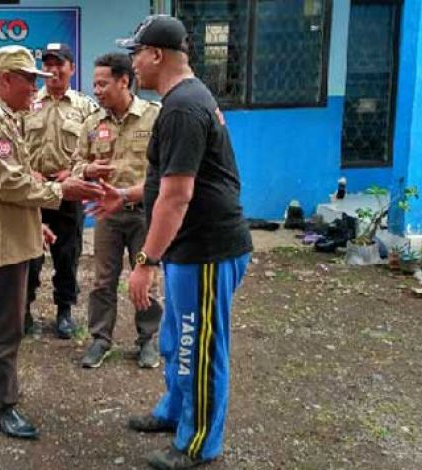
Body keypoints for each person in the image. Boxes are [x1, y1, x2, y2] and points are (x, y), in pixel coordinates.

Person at [95, 15, 253, 469]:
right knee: (175, 339)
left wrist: (145, 261)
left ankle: (200, 442)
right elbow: (172, 182)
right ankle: (175, 412)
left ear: (157, 55)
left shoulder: (183, 106)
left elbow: (179, 194)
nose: (133, 63)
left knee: (198, 347)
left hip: (207, 249)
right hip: (190, 249)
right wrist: (125, 195)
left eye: (136, 53)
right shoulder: (182, 101)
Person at [0, 45, 104, 440]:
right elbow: (11, 184)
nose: (34, 88)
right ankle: (1, 406)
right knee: (5, 329)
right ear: (6, 80)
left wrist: (34, 222)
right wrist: (61, 191)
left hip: (5, 233)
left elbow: (7, 184)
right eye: (28, 80)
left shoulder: (4, 116)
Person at [71, 52, 162, 369]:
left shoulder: (155, 117)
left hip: (144, 214)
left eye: (102, 83)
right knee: (102, 280)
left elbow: (165, 170)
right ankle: (100, 339)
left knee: (146, 280)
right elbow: (76, 164)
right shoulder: (93, 124)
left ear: (124, 81)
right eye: (94, 84)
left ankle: (147, 340)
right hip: (106, 213)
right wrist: (87, 169)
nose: (96, 90)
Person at [23, 43, 100, 338]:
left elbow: (98, 149)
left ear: (72, 68)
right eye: (48, 64)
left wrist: (74, 172)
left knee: (67, 254)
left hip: (68, 192)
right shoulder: (27, 103)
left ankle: (64, 311)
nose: (53, 70)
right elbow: (15, 144)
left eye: (60, 64)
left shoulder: (86, 107)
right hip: (33, 190)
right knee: (28, 254)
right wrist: (29, 172)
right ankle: (25, 310)